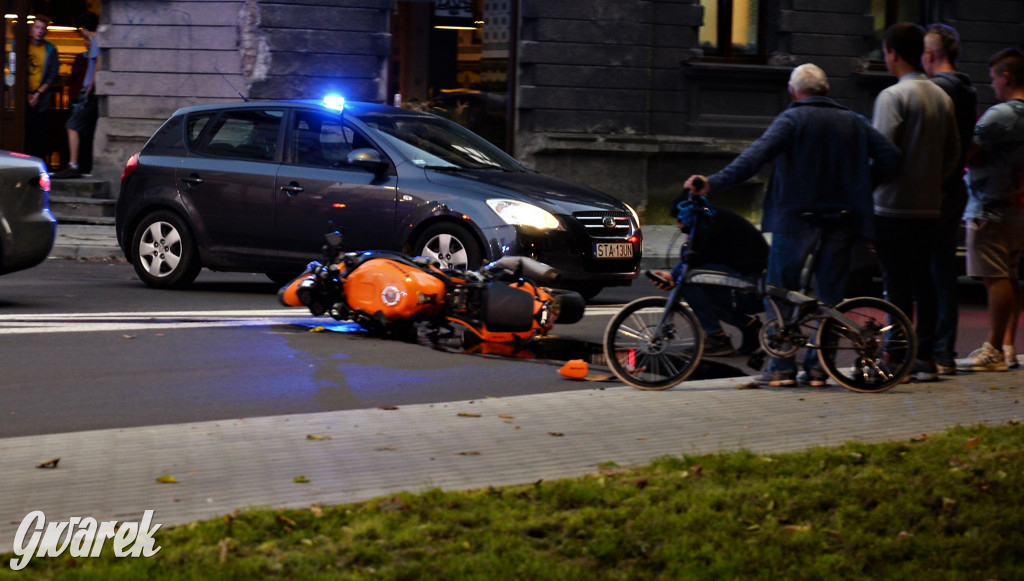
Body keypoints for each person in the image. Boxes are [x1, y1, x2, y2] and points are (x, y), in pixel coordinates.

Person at [684, 63, 902, 387]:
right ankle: (818, 368)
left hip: (795, 219)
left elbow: (753, 158)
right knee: (829, 298)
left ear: (793, 91)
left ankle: (781, 368)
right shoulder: (854, 121)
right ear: (826, 90)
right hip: (842, 221)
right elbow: (891, 157)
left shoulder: (792, 119)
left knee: (780, 293)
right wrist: (861, 185)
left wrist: (711, 183)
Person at [871, 22, 961, 382]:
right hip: (929, 206)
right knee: (925, 281)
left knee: (896, 283)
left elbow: (882, 152)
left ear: (893, 53)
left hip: (891, 206)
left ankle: (897, 356)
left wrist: (871, 187)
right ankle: (925, 354)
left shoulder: (892, 97)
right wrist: (931, 181)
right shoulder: (942, 97)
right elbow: (953, 153)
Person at [956, 48, 1024, 373]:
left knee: (995, 277)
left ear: (1006, 77)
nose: (992, 85)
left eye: (993, 78)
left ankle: (993, 349)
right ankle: (1007, 345)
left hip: (989, 208)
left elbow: (970, 151)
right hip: (1017, 209)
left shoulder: (999, 115)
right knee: (1009, 276)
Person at [922, 23, 978, 375]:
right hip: (954, 186)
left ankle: (935, 350)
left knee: (930, 273)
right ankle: (944, 352)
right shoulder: (967, 89)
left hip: (936, 189)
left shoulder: (938, 89)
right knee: (942, 271)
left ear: (929, 55)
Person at [650, 199, 768, 357]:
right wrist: (674, 274)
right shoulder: (712, 218)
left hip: (752, 287)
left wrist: (674, 275)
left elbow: (693, 259)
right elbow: (693, 258)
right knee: (696, 282)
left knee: (689, 281)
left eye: (680, 221)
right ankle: (748, 326)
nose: (681, 227)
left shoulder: (710, 225)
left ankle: (716, 337)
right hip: (747, 281)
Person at [54, 12, 101, 179]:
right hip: (91, 92)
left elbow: (98, 63)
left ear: (84, 28)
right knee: (84, 129)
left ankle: (73, 164)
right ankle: (82, 164)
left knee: (72, 125)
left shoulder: (95, 41)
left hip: (89, 93)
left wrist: (89, 87)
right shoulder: (98, 40)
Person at [24, 15, 59, 162]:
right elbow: (15, 70)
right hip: (23, 97)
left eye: (43, 28)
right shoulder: (22, 45)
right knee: (23, 133)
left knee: (38, 135)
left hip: (41, 98)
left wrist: (38, 93)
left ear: (46, 31)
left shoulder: (50, 49)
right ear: (31, 28)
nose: (39, 31)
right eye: (37, 27)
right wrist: (25, 93)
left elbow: (53, 75)